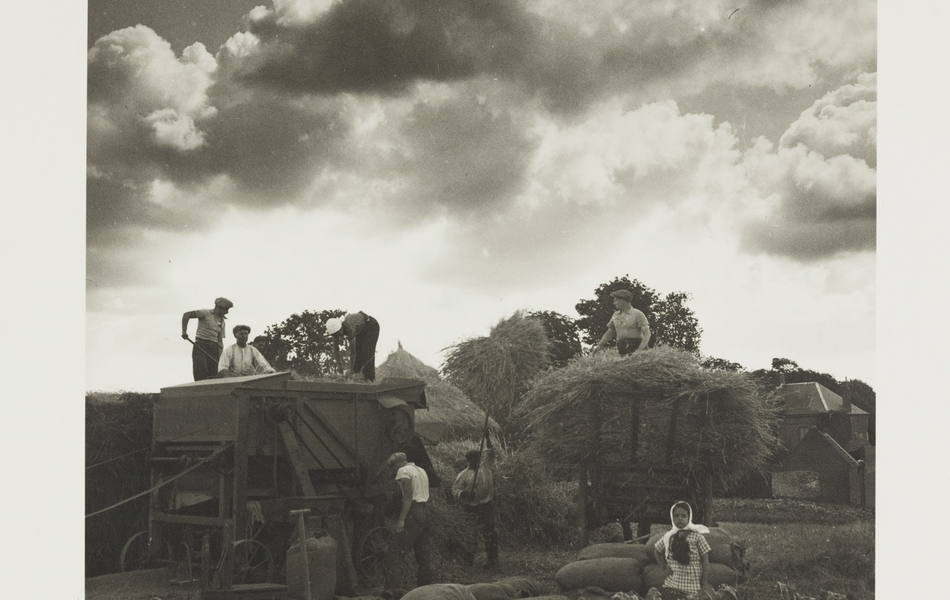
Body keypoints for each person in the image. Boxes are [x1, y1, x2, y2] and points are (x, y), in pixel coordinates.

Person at [648, 501, 737, 600]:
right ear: (672, 518)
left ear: (689, 518)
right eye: (676, 516)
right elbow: (657, 552)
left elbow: (705, 560)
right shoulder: (669, 536)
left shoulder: (697, 536)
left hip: (692, 585)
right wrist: (664, 566)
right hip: (673, 584)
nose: (680, 518)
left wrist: (704, 581)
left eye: (683, 516)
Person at [381, 452, 432, 592]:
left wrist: (401, 520)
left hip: (413, 513)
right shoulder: (421, 470)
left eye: (393, 467)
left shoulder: (403, 471)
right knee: (423, 556)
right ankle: (425, 590)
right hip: (425, 512)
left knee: (394, 553)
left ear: (398, 464)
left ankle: (393, 591)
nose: (393, 471)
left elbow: (408, 497)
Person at [451, 437, 499, 568]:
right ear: (469, 461)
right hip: (470, 508)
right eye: (473, 459)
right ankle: (468, 562)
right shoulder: (463, 475)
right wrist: (465, 493)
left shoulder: (486, 466)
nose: (477, 461)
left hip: (486, 505)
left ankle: (492, 561)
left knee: (490, 534)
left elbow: (491, 452)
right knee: (470, 534)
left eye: (478, 458)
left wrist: (487, 437)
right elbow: (455, 489)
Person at [181, 297, 233, 381]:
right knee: (200, 371)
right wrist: (184, 331)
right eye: (226, 309)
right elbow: (187, 314)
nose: (227, 312)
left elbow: (220, 341)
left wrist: (220, 356)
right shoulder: (205, 313)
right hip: (201, 345)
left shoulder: (222, 321)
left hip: (214, 348)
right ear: (219, 307)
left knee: (215, 372)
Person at [592, 289, 651, 356]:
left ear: (623, 300)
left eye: (615, 301)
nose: (614, 303)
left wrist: (639, 350)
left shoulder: (637, 314)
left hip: (635, 346)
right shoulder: (615, 315)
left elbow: (647, 333)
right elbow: (610, 332)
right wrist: (599, 345)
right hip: (622, 348)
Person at [326, 311, 380, 381]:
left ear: (341, 327)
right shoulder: (335, 332)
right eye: (335, 335)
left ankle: (369, 379)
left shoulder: (350, 328)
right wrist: (339, 366)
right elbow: (336, 349)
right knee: (358, 354)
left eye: (339, 334)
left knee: (366, 353)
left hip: (371, 326)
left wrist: (351, 370)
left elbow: (353, 352)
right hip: (360, 329)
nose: (338, 336)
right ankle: (357, 377)